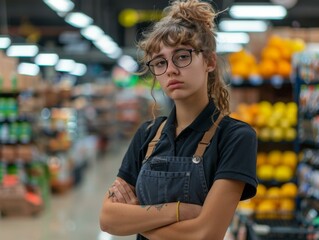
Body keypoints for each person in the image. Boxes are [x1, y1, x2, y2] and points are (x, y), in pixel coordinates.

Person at [99, 0, 258, 239]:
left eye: (182, 56)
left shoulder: (235, 138)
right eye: (160, 63)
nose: (171, 70)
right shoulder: (148, 134)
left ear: (210, 61)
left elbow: (205, 233)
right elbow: (108, 219)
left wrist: (134, 218)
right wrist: (180, 211)